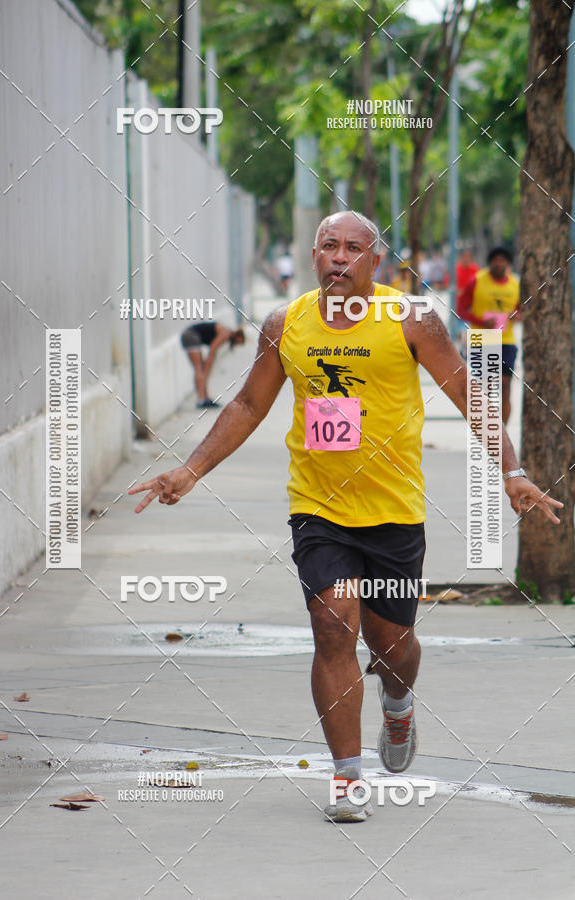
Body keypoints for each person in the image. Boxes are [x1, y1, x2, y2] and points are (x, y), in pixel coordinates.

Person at [130, 211, 561, 824]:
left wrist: (512, 472)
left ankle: (399, 698)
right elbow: (251, 401)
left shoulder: (412, 320)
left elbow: (469, 391)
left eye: (353, 248)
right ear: (313, 257)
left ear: (374, 262)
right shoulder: (287, 324)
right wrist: (190, 470)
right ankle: (347, 777)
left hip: (393, 511)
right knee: (333, 624)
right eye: (328, 246)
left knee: (392, 647)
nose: (339, 257)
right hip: (318, 508)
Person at [457, 246, 519, 423]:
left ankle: (503, 434)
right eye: (495, 260)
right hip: (482, 338)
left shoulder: (515, 284)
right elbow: (461, 309)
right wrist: (480, 321)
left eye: (503, 260)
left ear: (508, 264)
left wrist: (516, 315)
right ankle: (487, 429)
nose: (499, 264)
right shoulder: (477, 281)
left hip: (506, 339)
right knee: (486, 388)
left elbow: (521, 309)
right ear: (490, 262)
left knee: (506, 386)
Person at [180, 321, 245, 408]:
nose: (237, 344)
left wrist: (207, 369)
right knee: (200, 369)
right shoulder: (225, 334)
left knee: (201, 369)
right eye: (238, 342)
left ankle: (204, 397)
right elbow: (212, 350)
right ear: (238, 336)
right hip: (190, 335)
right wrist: (207, 369)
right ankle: (202, 399)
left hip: (191, 336)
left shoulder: (226, 332)